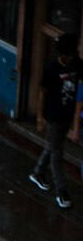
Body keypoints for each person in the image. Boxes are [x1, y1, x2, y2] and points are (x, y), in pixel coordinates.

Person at [30, 31, 83, 211]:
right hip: (53, 116)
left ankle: (37, 172)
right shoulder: (52, 69)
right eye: (68, 55)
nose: (70, 58)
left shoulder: (77, 64)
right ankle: (62, 192)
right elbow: (42, 93)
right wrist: (39, 118)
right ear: (61, 54)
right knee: (57, 154)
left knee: (53, 146)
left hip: (67, 115)